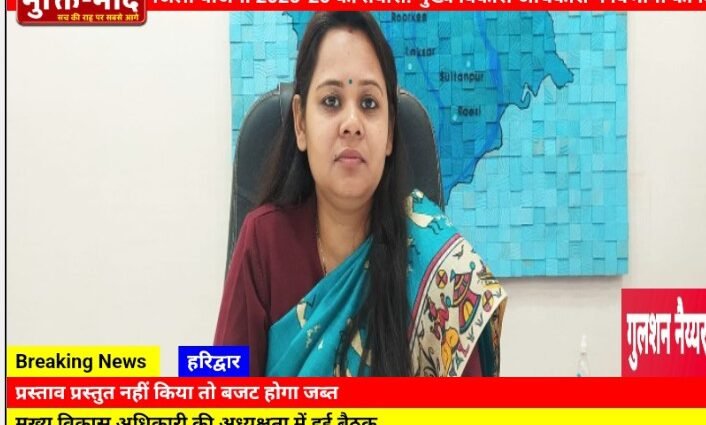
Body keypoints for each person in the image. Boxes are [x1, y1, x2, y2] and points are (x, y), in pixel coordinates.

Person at [215, 12, 507, 377]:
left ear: (389, 133)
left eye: (368, 103)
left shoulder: (441, 274)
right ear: (301, 124)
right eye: (331, 101)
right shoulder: (263, 242)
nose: (351, 124)